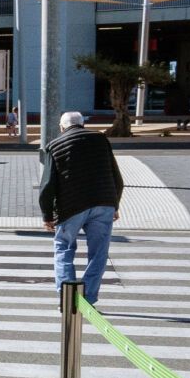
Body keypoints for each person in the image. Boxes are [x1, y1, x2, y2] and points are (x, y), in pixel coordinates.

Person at [39, 110, 123, 302]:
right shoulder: (101, 140)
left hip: (71, 205)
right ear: (82, 124)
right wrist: (115, 204)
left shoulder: (55, 145)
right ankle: (88, 298)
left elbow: (47, 185)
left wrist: (47, 216)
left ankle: (68, 300)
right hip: (103, 202)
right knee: (99, 253)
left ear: (62, 127)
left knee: (63, 247)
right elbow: (116, 175)